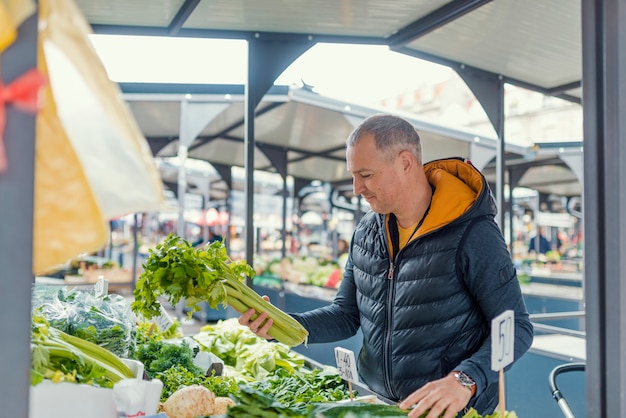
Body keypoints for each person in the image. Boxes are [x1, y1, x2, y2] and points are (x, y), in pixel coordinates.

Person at [239, 114, 533, 417]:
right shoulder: (366, 231)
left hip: (448, 411)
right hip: (377, 404)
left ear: (405, 162)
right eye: (354, 175)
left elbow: (517, 328)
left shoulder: (474, 233)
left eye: (366, 175)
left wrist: (466, 379)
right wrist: (283, 324)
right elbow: (346, 315)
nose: (356, 188)